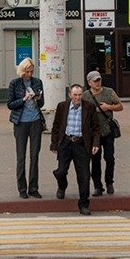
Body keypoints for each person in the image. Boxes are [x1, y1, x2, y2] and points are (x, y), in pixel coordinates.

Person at [49, 84, 100, 216]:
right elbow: (56, 126)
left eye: (79, 95)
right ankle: (62, 185)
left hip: (81, 144)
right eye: (75, 95)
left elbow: (96, 128)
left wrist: (95, 143)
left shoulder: (89, 107)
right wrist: (54, 144)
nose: (77, 98)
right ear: (70, 95)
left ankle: (83, 204)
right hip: (65, 142)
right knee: (60, 171)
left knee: (84, 175)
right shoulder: (62, 106)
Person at [6, 58, 45, 199]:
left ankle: (33, 187)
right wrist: (23, 99)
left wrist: (37, 98)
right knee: (21, 156)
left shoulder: (37, 82)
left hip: (35, 122)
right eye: (27, 71)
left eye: (32, 71)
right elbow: (10, 104)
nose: (30, 74)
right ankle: (22, 188)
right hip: (20, 122)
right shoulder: (15, 83)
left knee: (34, 155)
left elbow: (42, 103)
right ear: (22, 71)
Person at [83, 70, 122, 197]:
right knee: (95, 160)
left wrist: (108, 107)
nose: (98, 83)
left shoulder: (109, 92)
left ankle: (109, 182)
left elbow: (120, 106)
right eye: (95, 81)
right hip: (94, 133)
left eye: (99, 80)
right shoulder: (85, 95)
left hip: (107, 130)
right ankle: (97, 186)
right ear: (89, 82)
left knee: (109, 158)